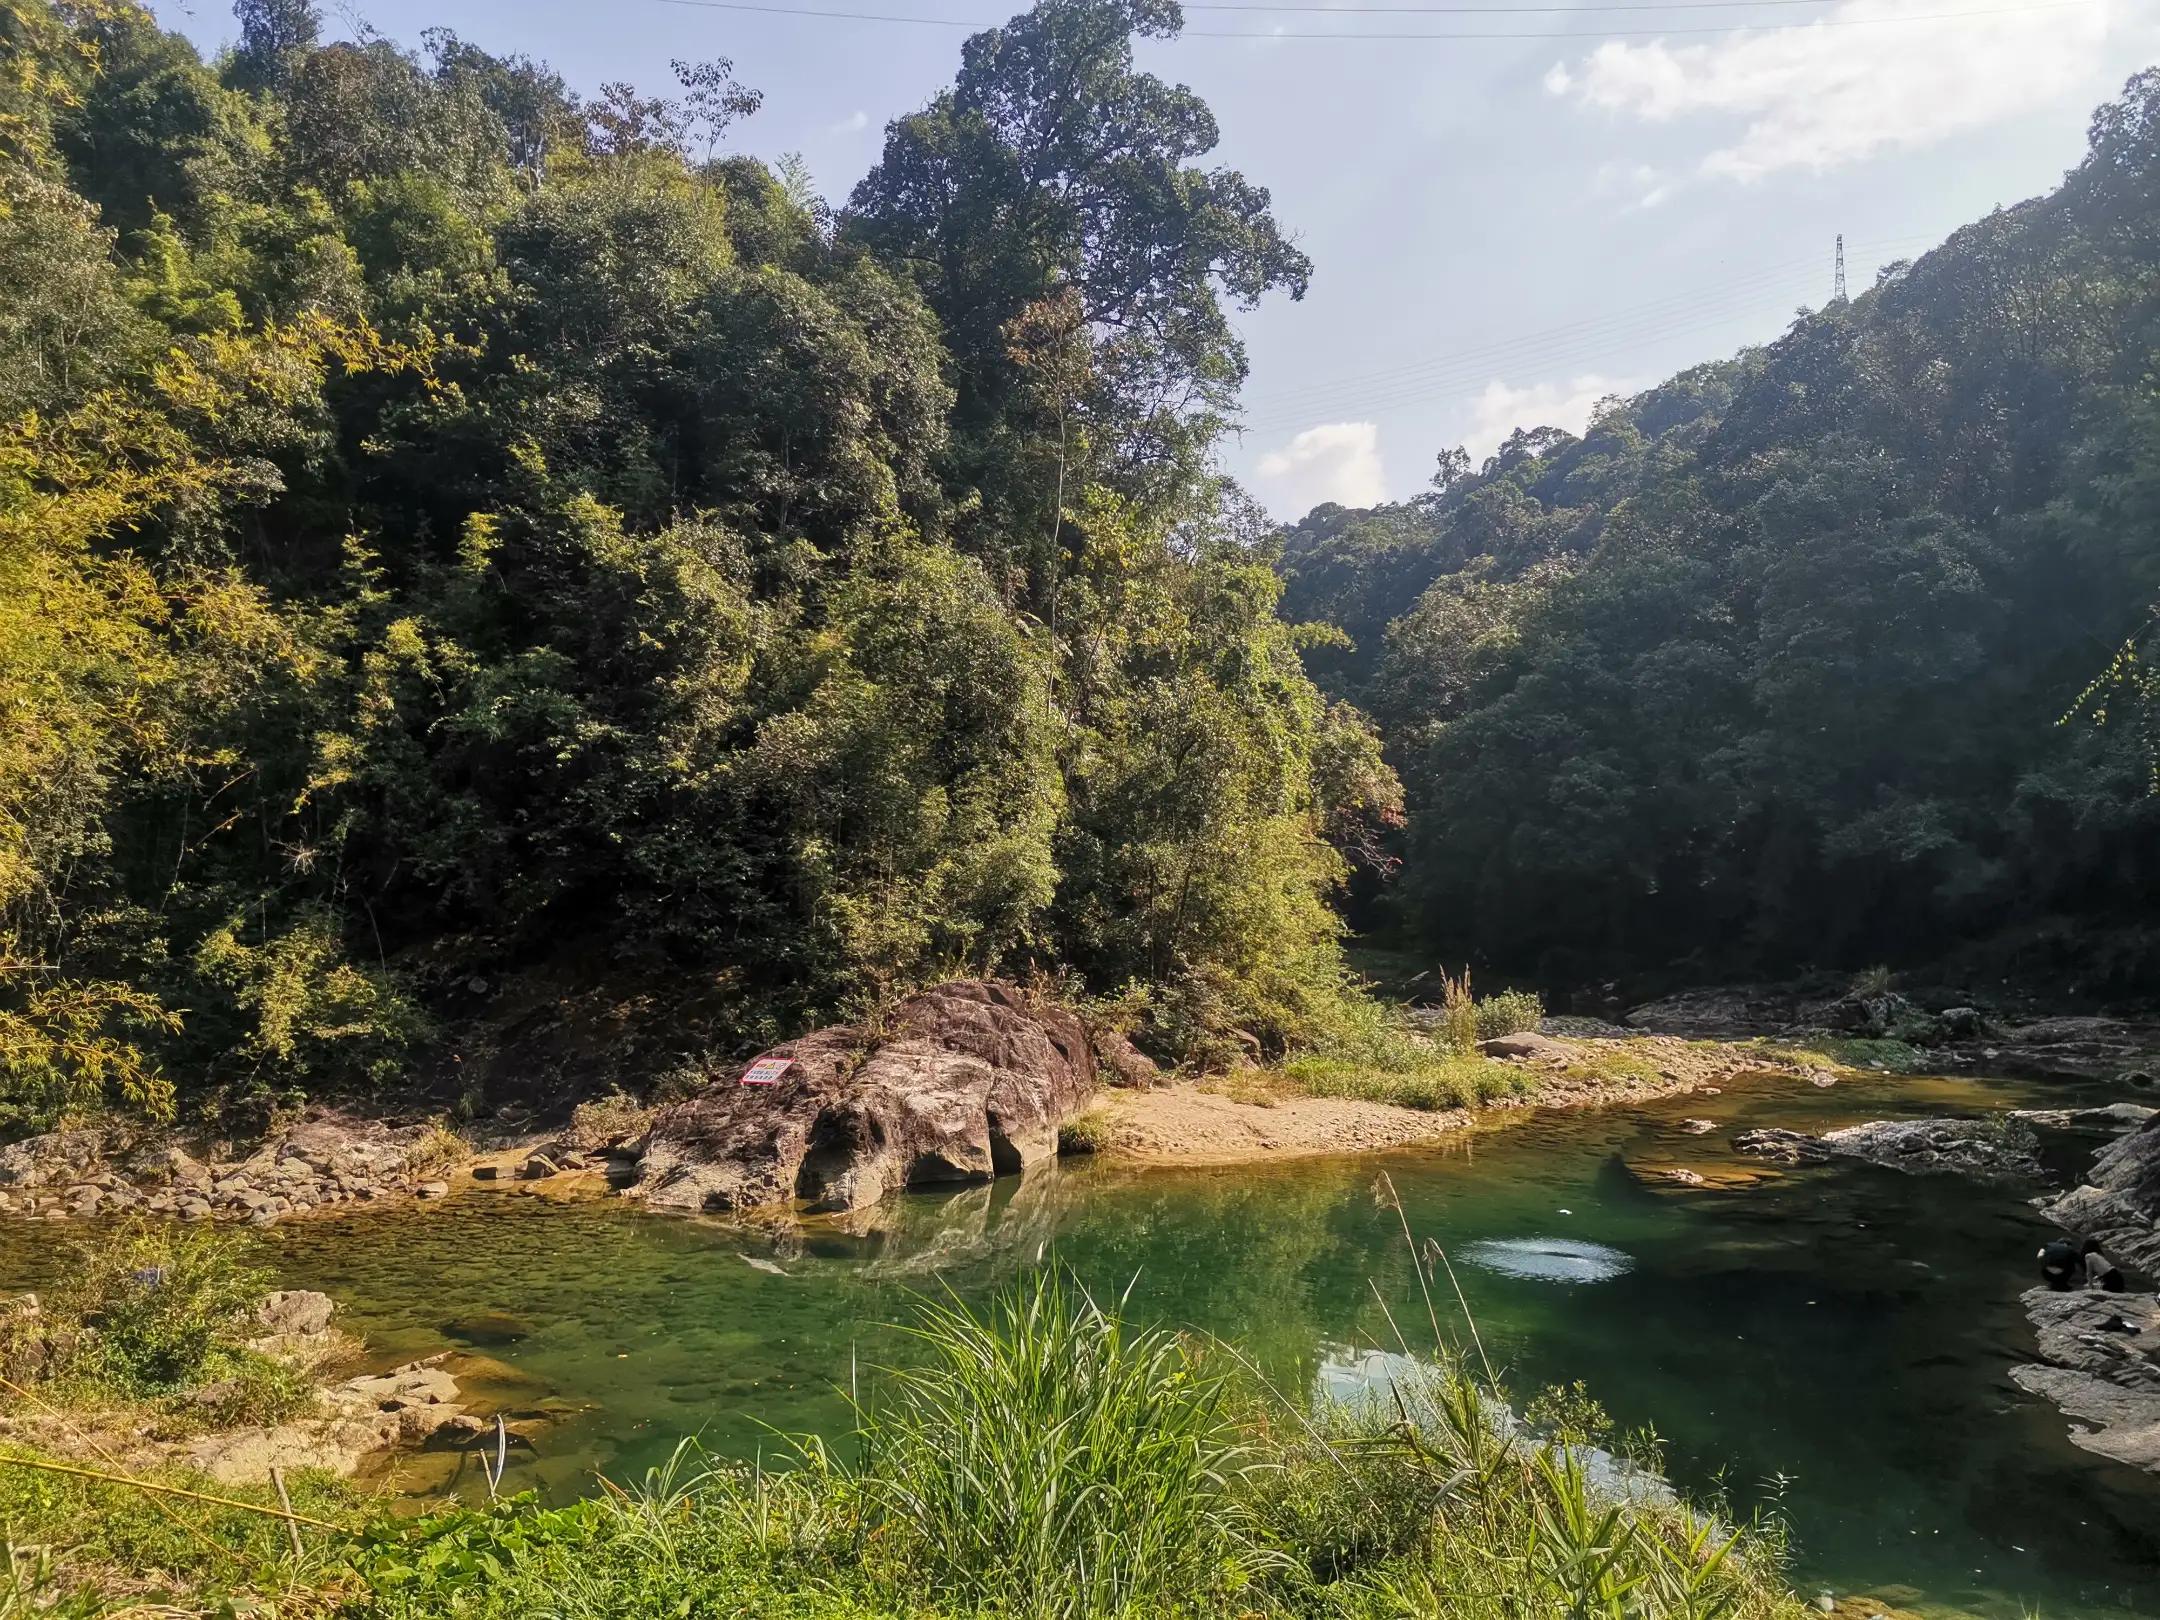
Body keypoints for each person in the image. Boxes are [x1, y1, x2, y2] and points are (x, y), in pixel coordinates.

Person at [2039, 1235, 2124, 1291]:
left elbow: (2039, 1256)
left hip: (2046, 1272)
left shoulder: (2048, 1245)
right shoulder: (2096, 1255)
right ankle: (2062, 1285)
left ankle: (2055, 1284)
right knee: (2070, 1264)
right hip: (2116, 1278)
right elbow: (2083, 1266)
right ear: (2067, 1244)